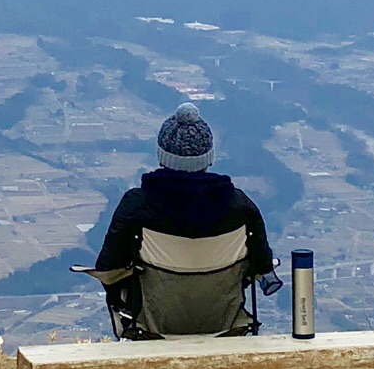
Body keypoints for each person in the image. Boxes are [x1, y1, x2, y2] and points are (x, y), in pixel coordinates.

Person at [95, 102, 284, 308]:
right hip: (223, 318)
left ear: (162, 156)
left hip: (151, 321)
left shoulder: (136, 206)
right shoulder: (240, 207)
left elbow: (108, 269)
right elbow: (261, 266)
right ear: (209, 158)